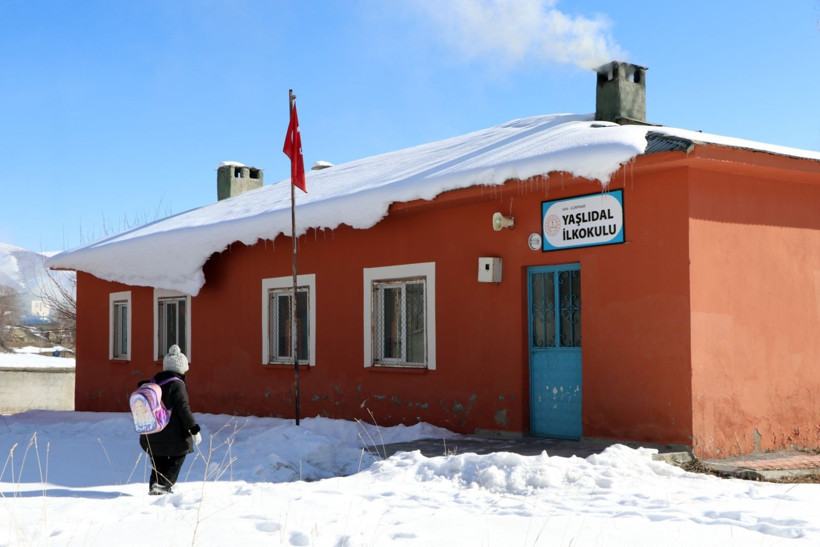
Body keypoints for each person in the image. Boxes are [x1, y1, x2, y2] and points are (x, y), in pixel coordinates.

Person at [138, 344, 201, 495]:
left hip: (151, 431)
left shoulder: (154, 381)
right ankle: (164, 487)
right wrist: (193, 429)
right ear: (180, 367)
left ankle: (155, 486)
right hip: (172, 433)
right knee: (179, 454)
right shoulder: (177, 385)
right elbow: (183, 408)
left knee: (158, 460)